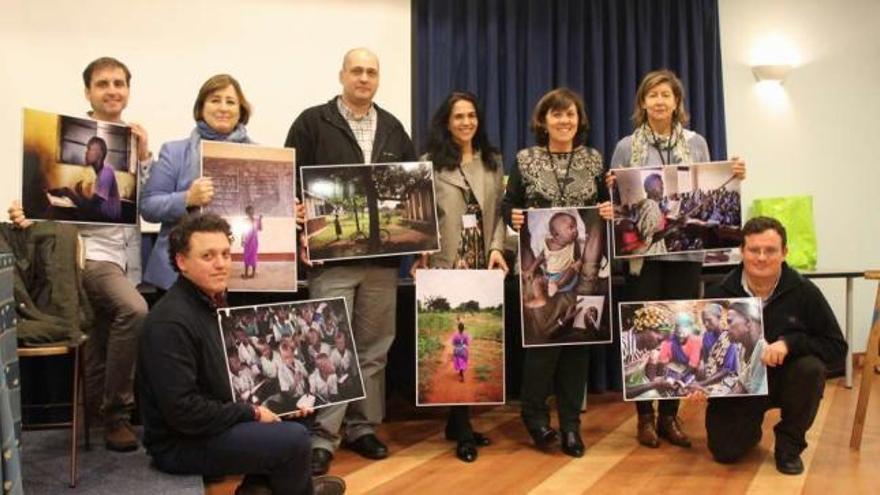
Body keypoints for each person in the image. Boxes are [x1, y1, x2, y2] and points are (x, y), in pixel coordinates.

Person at [137, 212, 345, 494]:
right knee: (293, 440)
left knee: (299, 409)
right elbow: (183, 412)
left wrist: (275, 405)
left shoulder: (208, 303)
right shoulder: (170, 322)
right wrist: (253, 412)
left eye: (225, 253)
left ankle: (261, 490)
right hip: (180, 442)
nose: (221, 263)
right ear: (181, 262)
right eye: (208, 256)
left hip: (210, 421)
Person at [8, 56, 152, 452]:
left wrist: (146, 158)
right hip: (90, 254)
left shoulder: (131, 146)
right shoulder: (75, 142)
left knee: (103, 335)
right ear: (88, 91)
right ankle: (116, 412)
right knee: (134, 310)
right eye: (103, 83)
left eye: (119, 83)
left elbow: (146, 204)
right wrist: (29, 210)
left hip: (129, 255)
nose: (112, 90)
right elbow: (66, 204)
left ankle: (95, 419)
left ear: (128, 89)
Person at [285, 48, 416, 475]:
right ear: (342, 74)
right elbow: (289, 182)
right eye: (356, 70)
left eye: (371, 72)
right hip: (332, 258)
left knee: (373, 349)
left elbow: (412, 188)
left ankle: (363, 427)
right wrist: (296, 212)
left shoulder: (395, 128)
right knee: (326, 346)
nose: (363, 78)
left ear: (378, 79)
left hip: (381, 262)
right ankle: (324, 436)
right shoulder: (312, 121)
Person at [608, 68, 747, 449]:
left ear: (676, 102)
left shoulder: (695, 142)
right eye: (652, 94)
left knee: (680, 331)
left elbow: (712, 183)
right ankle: (644, 418)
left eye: (665, 95)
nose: (659, 101)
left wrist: (733, 175)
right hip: (643, 259)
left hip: (684, 258)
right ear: (642, 102)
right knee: (643, 332)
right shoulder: (625, 147)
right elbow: (620, 202)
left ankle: (670, 417)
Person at [501, 87, 614, 458]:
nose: (564, 120)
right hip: (537, 273)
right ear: (543, 120)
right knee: (541, 349)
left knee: (578, 350)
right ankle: (534, 418)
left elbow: (604, 206)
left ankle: (570, 426)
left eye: (570, 114)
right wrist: (513, 217)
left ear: (579, 121)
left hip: (587, 270)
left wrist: (609, 211)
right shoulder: (526, 158)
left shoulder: (593, 160)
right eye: (557, 114)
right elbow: (509, 206)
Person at [703, 216, 847, 475]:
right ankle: (749, 427)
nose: (761, 258)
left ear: (784, 253)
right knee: (725, 452)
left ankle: (789, 445)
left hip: (787, 377)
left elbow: (837, 347)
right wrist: (699, 382)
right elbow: (706, 351)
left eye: (770, 250)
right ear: (742, 252)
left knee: (811, 369)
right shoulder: (719, 292)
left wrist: (790, 344)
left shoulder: (804, 291)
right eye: (753, 250)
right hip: (740, 384)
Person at [408, 91, 506, 462]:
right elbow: (421, 219)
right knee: (454, 339)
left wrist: (498, 248)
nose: (466, 122)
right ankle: (462, 428)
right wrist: (424, 257)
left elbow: (499, 214)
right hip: (447, 264)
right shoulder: (429, 164)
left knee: (476, 336)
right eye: (458, 117)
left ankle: (458, 421)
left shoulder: (493, 163)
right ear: (446, 123)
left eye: (471, 116)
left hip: (484, 263)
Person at [141, 73, 254, 290]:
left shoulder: (260, 154)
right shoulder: (174, 152)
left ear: (241, 110)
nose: (223, 107)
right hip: (179, 278)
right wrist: (186, 198)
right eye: (215, 100)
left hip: (238, 275)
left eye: (230, 102)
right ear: (201, 108)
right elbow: (149, 207)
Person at [242, 205, 262, 279]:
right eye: (249, 211)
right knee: (246, 256)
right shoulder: (245, 220)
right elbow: (243, 231)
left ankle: (253, 274)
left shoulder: (256, 220)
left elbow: (260, 228)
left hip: (254, 240)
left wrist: (260, 220)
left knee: (253, 256)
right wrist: (242, 240)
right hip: (247, 240)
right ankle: (246, 273)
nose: (251, 212)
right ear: (247, 212)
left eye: (252, 210)